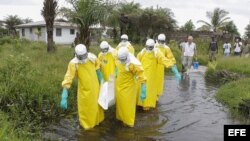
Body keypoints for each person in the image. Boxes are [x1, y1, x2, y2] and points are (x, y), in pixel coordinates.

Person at [60, 44, 104, 130]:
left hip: (95, 87)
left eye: (84, 56)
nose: (83, 59)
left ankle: (97, 122)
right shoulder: (73, 63)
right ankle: (88, 128)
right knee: (86, 109)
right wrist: (64, 94)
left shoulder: (92, 58)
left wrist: (101, 79)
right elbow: (68, 77)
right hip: (84, 90)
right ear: (76, 55)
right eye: (81, 57)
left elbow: (97, 68)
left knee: (97, 106)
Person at [137, 39, 178, 110]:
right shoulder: (142, 52)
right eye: (148, 47)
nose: (149, 49)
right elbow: (136, 61)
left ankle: (147, 106)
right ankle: (141, 104)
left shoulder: (157, 53)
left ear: (153, 46)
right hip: (142, 74)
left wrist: (172, 66)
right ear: (146, 46)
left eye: (150, 47)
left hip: (152, 76)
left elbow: (164, 60)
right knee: (141, 89)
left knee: (149, 90)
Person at [116, 47, 146, 127]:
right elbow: (118, 66)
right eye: (120, 59)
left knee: (128, 106)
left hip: (129, 87)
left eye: (123, 59)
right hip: (119, 86)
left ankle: (129, 123)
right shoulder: (118, 56)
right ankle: (121, 119)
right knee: (120, 105)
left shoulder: (134, 63)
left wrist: (143, 88)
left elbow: (141, 75)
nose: (121, 61)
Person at [155, 33, 181, 98]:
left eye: (162, 41)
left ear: (164, 41)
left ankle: (157, 96)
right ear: (157, 40)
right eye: (159, 41)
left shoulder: (166, 48)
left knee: (159, 82)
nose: (161, 43)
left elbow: (171, 58)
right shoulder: (153, 46)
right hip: (153, 66)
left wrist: (175, 69)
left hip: (161, 67)